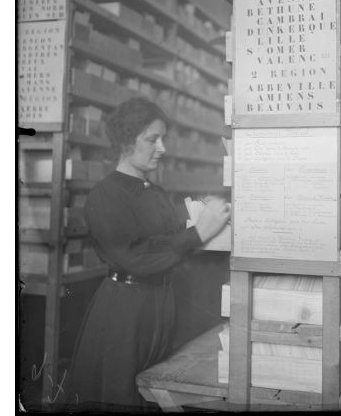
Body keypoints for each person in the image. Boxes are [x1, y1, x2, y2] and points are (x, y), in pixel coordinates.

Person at [67, 98, 230, 412]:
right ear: (128, 141)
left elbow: (165, 238)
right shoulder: (106, 194)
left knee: (151, 391)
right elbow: (135, 257)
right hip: (126, 311)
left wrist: (200, 211)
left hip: (159, 305)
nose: (162, 148)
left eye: (163, 139)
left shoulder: (154, 191)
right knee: (121, 394)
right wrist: (198, 232)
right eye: (153, 139)